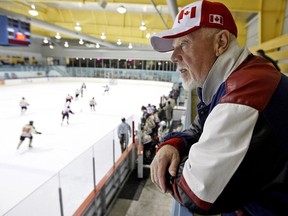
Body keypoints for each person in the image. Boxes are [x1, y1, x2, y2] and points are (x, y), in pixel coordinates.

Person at [149, 1, 288, 216]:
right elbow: (199, 128)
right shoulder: (230, 82)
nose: (173, 56)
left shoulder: (246, 90)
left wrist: (169, 166)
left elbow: (195, 191)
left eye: (184, 44)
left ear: (220, 42)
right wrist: (173, 144)